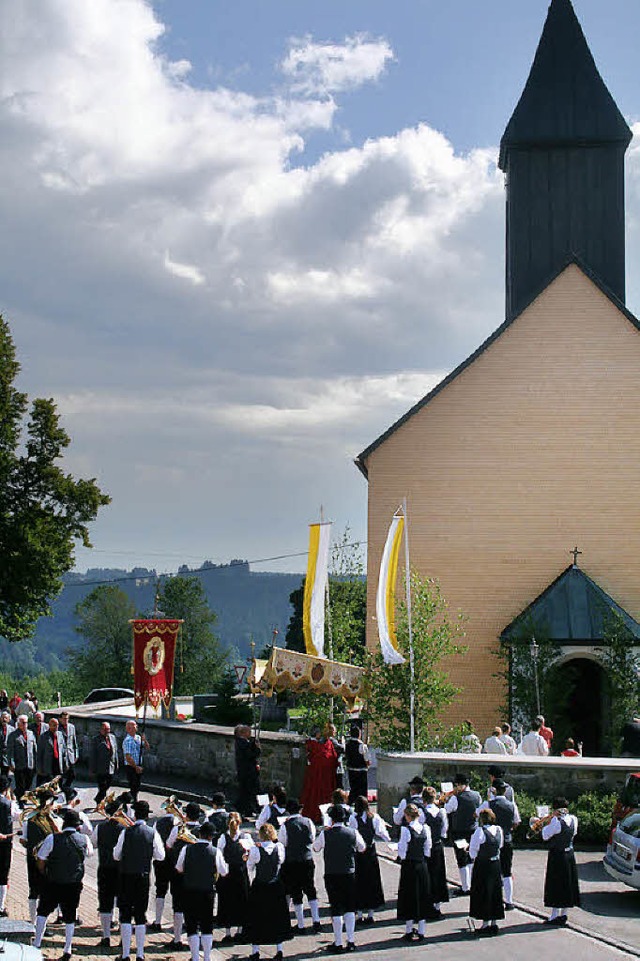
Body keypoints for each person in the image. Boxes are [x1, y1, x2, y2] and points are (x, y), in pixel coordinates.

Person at [32, 808, 94, 961]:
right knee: (70, 915)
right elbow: (90, 854)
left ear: (64, 823)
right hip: (73, 883)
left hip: (53, 880)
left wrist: (45, 872)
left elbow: (41, 858)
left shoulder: (52, 838)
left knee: (43, 912)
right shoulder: (84, 839)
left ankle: (37, 942)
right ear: (77, 825)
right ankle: (67, 948)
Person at [113, 798, 165, 961]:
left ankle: (126, 953)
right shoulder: (152, 833)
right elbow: (160, 856)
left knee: (126, 914)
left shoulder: (125, 832)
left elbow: (116, 855)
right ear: (147, 815)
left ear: (134, 814)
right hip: (143, 876)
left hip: (126, 875)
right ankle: (140, 954)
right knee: (140, 915)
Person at [312, 804, 366, 953]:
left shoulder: (325, 834)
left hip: (332, 873)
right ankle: (351, 940)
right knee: (349, 907)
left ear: (331, 819)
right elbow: (362, 848)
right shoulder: (352, 832)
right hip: (349, 872)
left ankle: (338, 942)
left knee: (336, 907)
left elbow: (315, 848)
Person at [176, 819, 228, 961]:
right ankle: (206, 957)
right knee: (206, 925)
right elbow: (224, 872)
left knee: (191, 925)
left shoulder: (186, 849)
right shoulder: (215, 851)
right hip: (207, 891)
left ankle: (194, 957)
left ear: (199, 834)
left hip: (190, 890)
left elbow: (179, 868)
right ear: (211, 836)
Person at [246, 823, 293, 961]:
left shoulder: (255, 850)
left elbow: (250, 867)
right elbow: (281, 861)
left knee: (257, 917)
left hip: (260, 886)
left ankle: (255, 950)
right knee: (277, 917)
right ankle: (279, 949)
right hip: (275, 885)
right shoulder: (279, 848)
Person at [278, 797, 320, 932]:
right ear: (300, 809)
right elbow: (312, 839)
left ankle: (301, 924)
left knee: (296, 892)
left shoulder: (285, 825)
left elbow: (283, 843)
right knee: (310, 889)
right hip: (307, 859)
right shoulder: (308, 822)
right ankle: (316, 920)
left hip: (292, 861)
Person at [167, 801, 202, 950]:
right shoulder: (203, 830)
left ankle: (177, 939)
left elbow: (168, 845)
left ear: (186, 814)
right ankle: (195, 939)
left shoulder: (178, 828)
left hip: (179, 872)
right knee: (196, 906)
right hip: (198, 873)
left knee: (178, 906)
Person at [348, 795, 389, 924]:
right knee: (372, 881)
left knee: (359, 882)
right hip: (371, 851)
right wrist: (387, 838)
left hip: (359, 852)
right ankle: (371, 914)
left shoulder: (353, 818)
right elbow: (382, 833)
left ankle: (360, 915)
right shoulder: (374, 817)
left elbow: (353, 834)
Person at [480, 779, 520, 910]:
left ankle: (492, 901)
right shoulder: (512, 805)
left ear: (494, 790)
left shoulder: (488, 803)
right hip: (507, 840)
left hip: (492, 840)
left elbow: (477, 814)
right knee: (507, 871)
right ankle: (509, 901)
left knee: (491, 872)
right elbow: (516, 822)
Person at [396, 802, 434, 941]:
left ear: (407, 816)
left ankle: (408, 929)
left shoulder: (406, 830)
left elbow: (402, 851)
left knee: (409, 896)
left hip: (409, 865)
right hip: (422, 864)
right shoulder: (426, 828)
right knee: (422, 895)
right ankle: (422, 930)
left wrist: (403, 857)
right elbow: (427, 848)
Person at [91, 795, 125, 947]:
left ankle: (106, 936)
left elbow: (94, 844)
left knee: (105, 901)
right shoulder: (124, 829)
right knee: (123, 902)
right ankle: (122, 936)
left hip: (104, 867)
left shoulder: (100, 827)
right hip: (121, 869)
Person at [541, 796, 581, 925]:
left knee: (556, 885)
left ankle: (553, 916)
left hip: (557, 855)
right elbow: (573, 834)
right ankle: (564, 914)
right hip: (569, 854)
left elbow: (545, 835)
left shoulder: (556, 822)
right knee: (567, 884)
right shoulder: (574, 819)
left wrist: (548, 822)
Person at [217, 810, 253, 943]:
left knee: (226, 901)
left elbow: (219, 855)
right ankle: (239, 930)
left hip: (227, 873)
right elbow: (251, 855)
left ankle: (227, 933)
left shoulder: (223, 838)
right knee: (242, 901)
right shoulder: (246, 837)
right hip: (241, 872)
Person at [468, 808, 504, 936]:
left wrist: (470, 853)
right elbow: (500, 846)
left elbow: (473, 851)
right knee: (495, 892)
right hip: (495, 864)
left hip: (483, 865)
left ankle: (485, 923)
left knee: (484, 892)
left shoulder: (480, 831)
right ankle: (494, 922)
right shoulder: (499, 830)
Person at [444, 773, 481, 895]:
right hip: (473, 830)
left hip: (459, 831)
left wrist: (446, 799)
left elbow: (447, 810)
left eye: (456, 785)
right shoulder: (477, 795)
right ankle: (472, 884)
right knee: (471, 857)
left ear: (460, 785)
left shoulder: (456, 798)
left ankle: (465, 887)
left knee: (461, 859)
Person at [150, 798, 180, 932]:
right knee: (177, 893)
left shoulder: (158, 823)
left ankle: (157, 921)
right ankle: (178, 924)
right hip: (176, 861)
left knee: (160, 890)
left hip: (161, 861)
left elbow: (154, 841)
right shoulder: (180, 824)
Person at [301, 727, 338, 823]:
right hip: (316, 775)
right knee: (314, 794)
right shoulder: (314, 744)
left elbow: (333, 757)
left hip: (326, 775)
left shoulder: (329, 743)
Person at [422, 786, 449, 916]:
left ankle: (427, 904)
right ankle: (437, 906)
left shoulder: (422, 813)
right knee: (438, 875)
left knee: (426, 876)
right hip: (438, 845)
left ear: (424, 799)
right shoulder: (441, 812)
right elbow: (445, 829)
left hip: (426, 847)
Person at [7, 714, 37, 802]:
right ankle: (21, 801)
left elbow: (35, 749)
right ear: (18, 723)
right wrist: (11, 764)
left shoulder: (31, 733)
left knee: (29, 783)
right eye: (23, 723)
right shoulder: (13, 735)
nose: (25, 725)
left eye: (26, 723)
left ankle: (21, 795)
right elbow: (10, 751)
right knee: (20, 784)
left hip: (30, 763)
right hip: (19, 764)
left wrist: (36, 762)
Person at [0, 775, 18, 917]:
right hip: (4, 843)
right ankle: (0, 907)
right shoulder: (9, 804)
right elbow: (19, 815)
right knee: (3, 874)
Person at [235, 724, 261, 816]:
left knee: (247, 792)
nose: (250, 733)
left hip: (247, 771)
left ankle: (248, 810)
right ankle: (256, 809)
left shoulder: (243, 743)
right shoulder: (243, 743)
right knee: (251, 792)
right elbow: (251, 755)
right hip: (248, 772)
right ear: (243, 733)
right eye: (248, 731)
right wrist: (257, 748)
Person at [122, 719, 149, 801]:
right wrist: (136, 767)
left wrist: (145, 740)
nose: (135, 728)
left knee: (137, 786)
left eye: (135, 726)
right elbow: (128, 757)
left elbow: (147, 748)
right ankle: (132, 802)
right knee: (133, 786)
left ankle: (134, 801)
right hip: (131, 766)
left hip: (138, 765)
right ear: (128, 729)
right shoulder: (128, 741)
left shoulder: (138, 738)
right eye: (133, 727)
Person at [36, 716, 67, 785]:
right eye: (54, 725)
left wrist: (65, 764)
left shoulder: (60, 734)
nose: (56, 727)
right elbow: (39, 754)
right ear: (49, 726)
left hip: (58, 763)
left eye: (57, 725)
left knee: (59, 783)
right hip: (49, 764)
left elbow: (64, 750)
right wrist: (39, 769)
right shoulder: (43, 737)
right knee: (50, 784)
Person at [345, 725, 369, 806]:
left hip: (351, 770)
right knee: (362, 791)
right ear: (359, 734)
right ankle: (362, 806)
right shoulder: (362, 745)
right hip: (361, 771)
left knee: (353, 789)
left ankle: (350, 804)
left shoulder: (347, 744)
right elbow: (367, 760)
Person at [59, 711, 79, 801]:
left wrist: (76, 753)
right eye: (64, 718)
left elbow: (74, 741)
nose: (66, 720)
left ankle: (66, 788)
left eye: (67, 718)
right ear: (60, 719)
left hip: (70, 755)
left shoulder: (72, 727)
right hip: (61, 756)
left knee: (72, 775)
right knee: (60, 776)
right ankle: (64, 793)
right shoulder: (58, 728)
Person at [324, 723, 345, 789]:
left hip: (328, 767)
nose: (335, 732)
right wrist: (343, 743)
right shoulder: (331, 740)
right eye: (334, 730)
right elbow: (342, 749)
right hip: (336, 767)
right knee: (338, 786)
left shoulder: (323, 740)